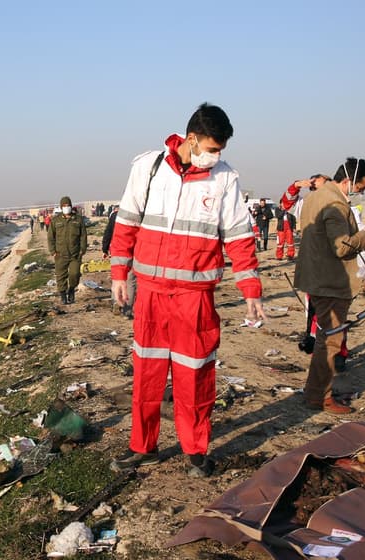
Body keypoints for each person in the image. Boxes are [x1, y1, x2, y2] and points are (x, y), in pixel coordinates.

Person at [108, 103, 265, 477]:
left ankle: (195, 450)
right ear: (190, 139)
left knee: (195, 376)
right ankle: (142, 447)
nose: (215, 157)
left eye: (220, 151)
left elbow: (240, 236)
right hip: (149, 295)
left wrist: (251, 289)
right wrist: (119, 273)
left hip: (195, 299)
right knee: (146, 375)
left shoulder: (224, 179)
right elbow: (127, 220)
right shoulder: (148, 168)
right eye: (211, 149)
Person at [294, 157, 365, 414]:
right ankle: (321, 397)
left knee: (325, 337)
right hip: (330, 281)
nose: (361, 194)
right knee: (331, 341)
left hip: (317, 277)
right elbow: (342, 247)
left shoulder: (315, 197)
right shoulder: (334, 204)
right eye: (361, 188)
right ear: (350, 181)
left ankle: (315, 393)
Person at [275, 175, 329, 260]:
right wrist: (296, 186)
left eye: (327, 183)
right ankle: (281, 255)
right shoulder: (305, 202)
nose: (325, 186)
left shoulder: (337, 200)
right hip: (314, 247)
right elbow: (287, 201)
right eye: (315, 183)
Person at [48, 196, 86, 304]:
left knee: (75, 274)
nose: (66, 207)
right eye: (64, 206)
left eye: (68, 205)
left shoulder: (78, 219)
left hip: (75, 254)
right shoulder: (55, 221)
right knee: (61, 276)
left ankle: (71, 289)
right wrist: (53, 251)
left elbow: (83, 236)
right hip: (60, 254)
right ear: (61, 207)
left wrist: (82, 250)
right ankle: (63, 294)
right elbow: (50, 237)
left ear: (71, 206)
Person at [102, 205, 135, 318]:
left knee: (118, 278)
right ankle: (127, 310)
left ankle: (116, 302)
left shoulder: (116, 217)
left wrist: (105, 249)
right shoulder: (142, 216)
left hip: (117, 250)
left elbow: (108, 233)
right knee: (130, 281)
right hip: (134, 251)